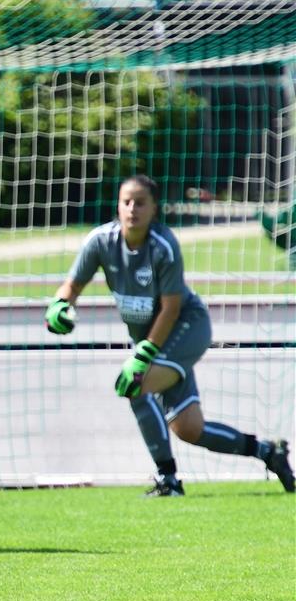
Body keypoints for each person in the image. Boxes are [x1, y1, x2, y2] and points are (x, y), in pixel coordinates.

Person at [46, 174, 294, 496]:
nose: (132, 208)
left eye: (141, 202)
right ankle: (268, 453)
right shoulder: (100, 242)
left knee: (133, 384)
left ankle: (168, 481)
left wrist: (144, 354)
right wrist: (59, 305)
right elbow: (73, 285)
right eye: (126, 202)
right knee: (189, 429)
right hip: (155, 343)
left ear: (154, 209)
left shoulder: (163, 246)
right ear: (118, 206)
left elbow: (171, 308)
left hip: (186, 328)